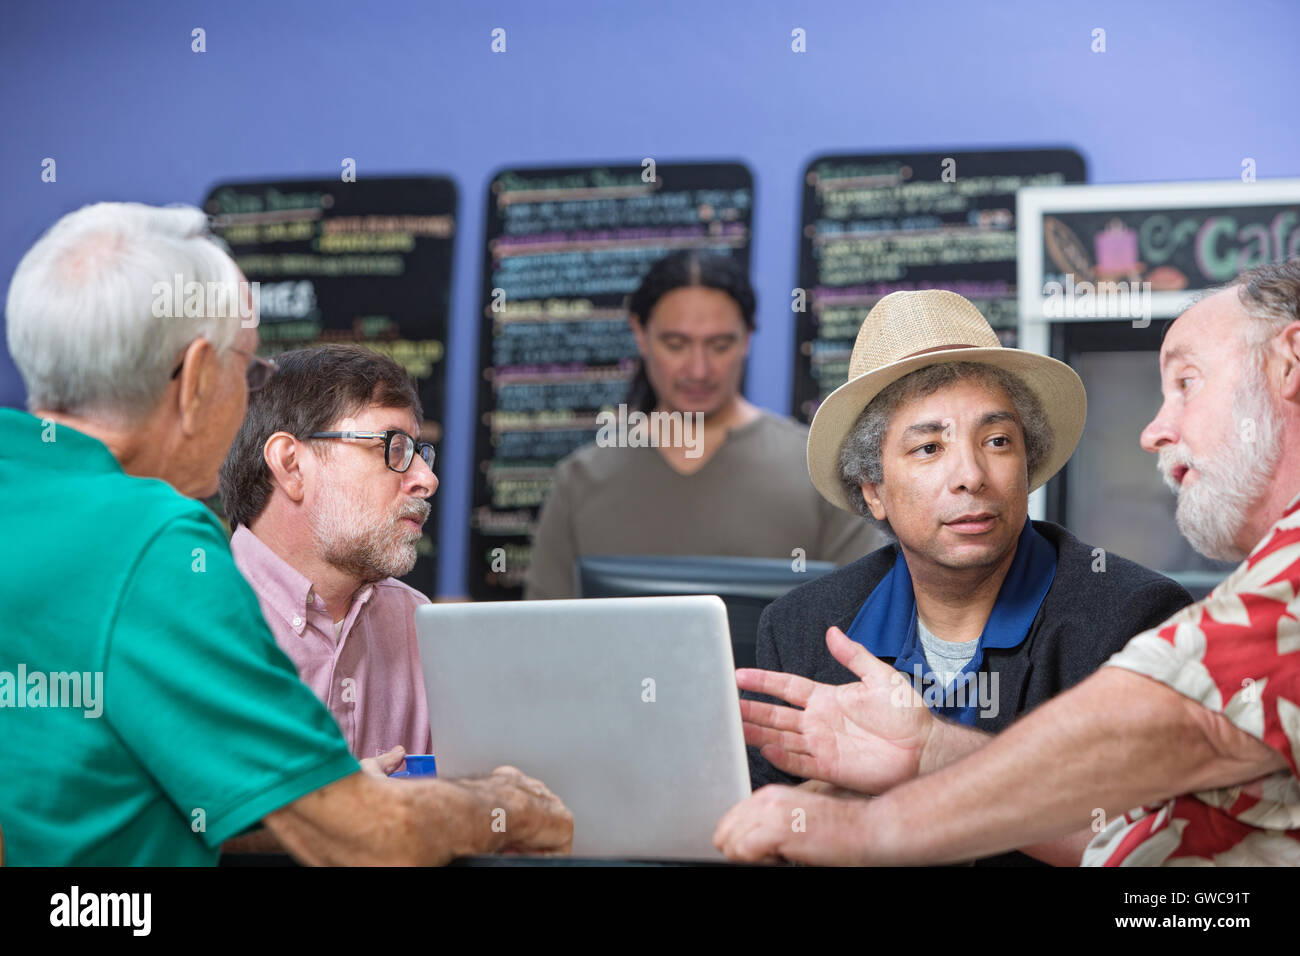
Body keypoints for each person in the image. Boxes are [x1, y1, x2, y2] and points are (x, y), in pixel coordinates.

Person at [0, 201, 571, 865]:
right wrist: (506, 807)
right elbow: (359, 833)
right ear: (197, 379)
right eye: (248, 371)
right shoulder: (154, 543)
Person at [715, 258, 1300, 866]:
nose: (1153, 431)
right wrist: (923, 755)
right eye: (928, 448)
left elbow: (1156, 747)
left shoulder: (1147, 610)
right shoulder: (801, 624)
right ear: (872, 488)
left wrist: (875, 824)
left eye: (1187, 382)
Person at [524, 249, 884, 599]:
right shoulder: (581, 481)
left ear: (747, 338)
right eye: (676, 344)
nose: (699, 370)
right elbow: (544, 639)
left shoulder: (820, 470)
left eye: (719, 345)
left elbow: (861, 626)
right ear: (640, 334)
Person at [219, 344, 436, 762]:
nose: (427, 479)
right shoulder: (186, 620)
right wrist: (342, 806)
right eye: (393, 448)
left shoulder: (417, 626)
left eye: (419, 454)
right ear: (291, 465)